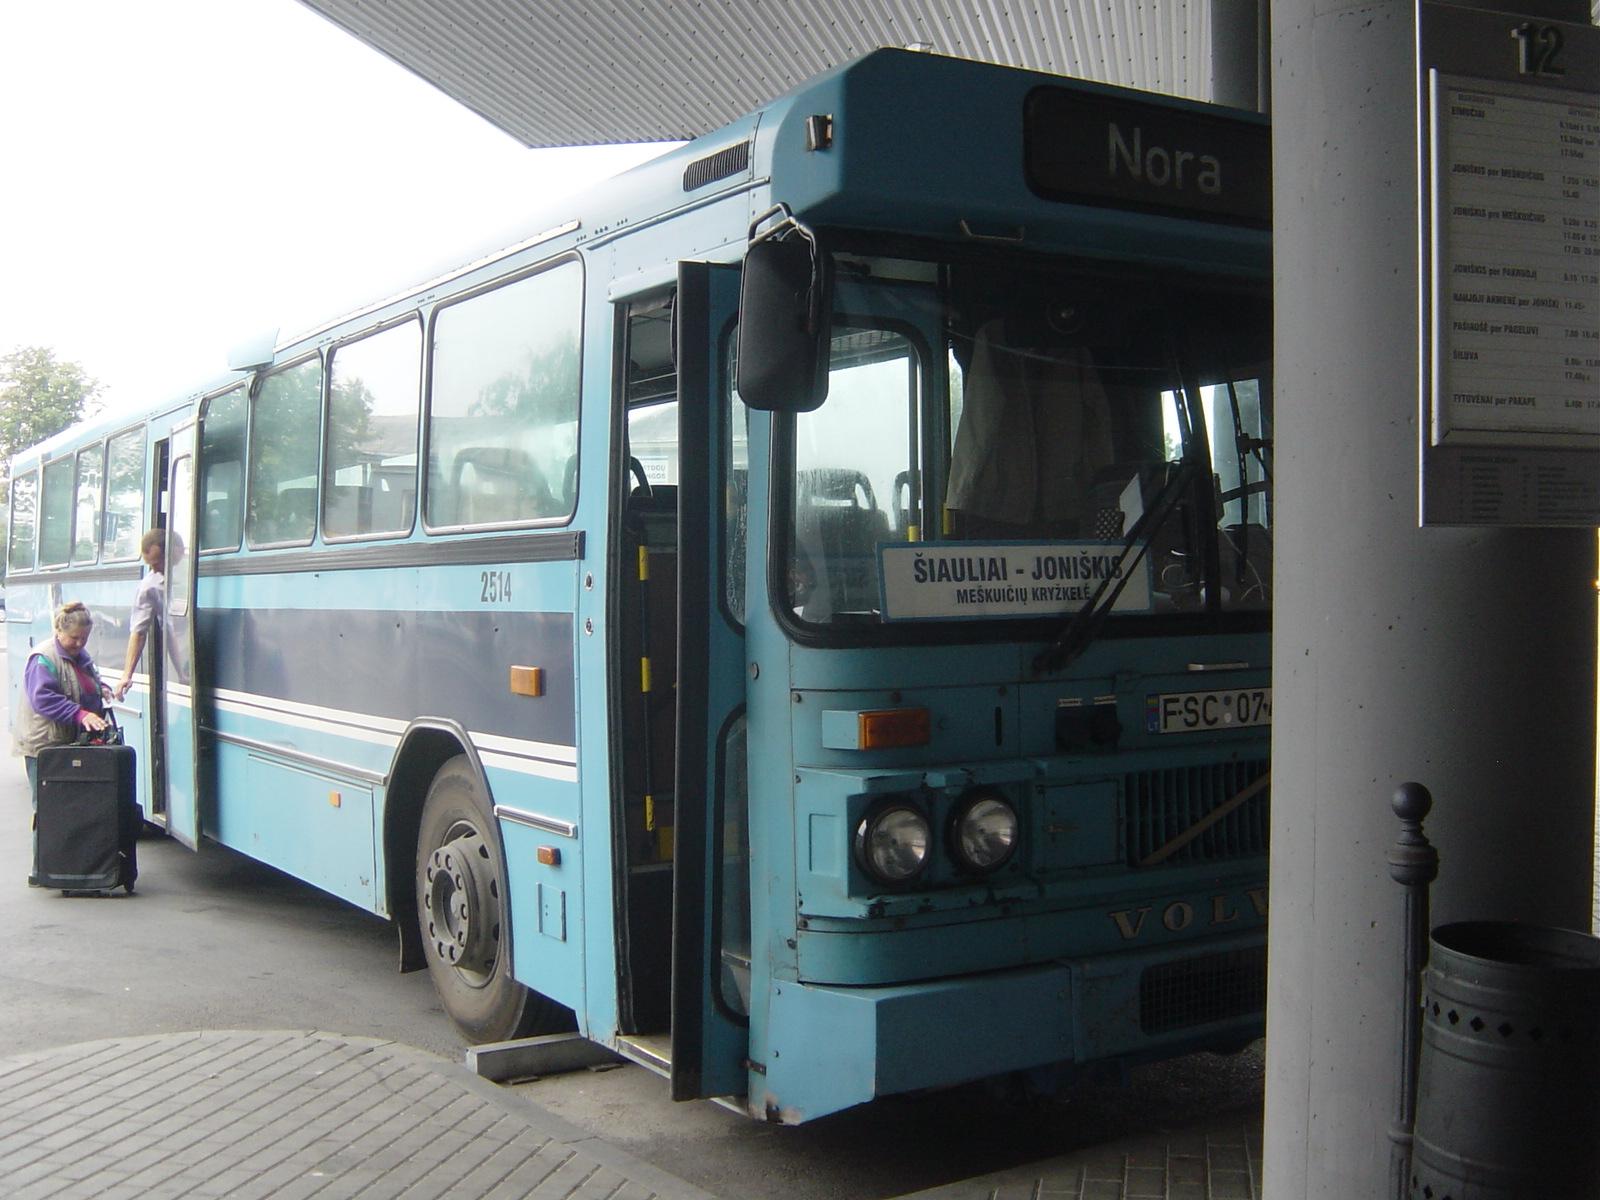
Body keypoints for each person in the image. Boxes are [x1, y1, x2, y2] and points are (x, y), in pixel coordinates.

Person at [19, 601, 112, 797]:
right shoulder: (43, 657)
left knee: (73, 807)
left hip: (72, 743)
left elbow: (81, 682)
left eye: (84, 638)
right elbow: (43, 698)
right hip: (47, 746)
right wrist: (80, 714)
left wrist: (101, 688)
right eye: (74, 638)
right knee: (50, 806)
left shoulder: (81, 655)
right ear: (59, 631)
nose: (79, 643)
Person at [114, 529, 165, 701]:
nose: (154, 570)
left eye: (157, 563)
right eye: (150, 565)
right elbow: (138, 632)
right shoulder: (149, 586)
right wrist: (126, 675)